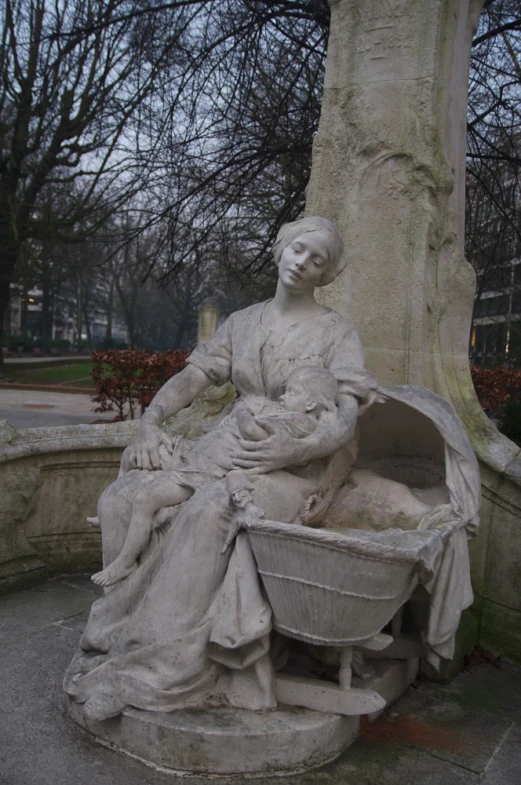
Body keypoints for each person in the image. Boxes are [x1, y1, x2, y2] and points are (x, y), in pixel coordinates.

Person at [64, 216, 379, 721]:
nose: (303, 263)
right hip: (231, 446)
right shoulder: (243, 322)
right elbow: (193, 379)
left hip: (296, 467)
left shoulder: (338, 333)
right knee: (125, 494)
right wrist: (149, 422)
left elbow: (343, 422)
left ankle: (162, 668)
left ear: (325, 274)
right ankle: (118, 633)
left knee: (211, 510)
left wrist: (291, 453)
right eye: (299, 249)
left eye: (317, 260)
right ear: (281, 248)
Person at [91, 366, 340, 587]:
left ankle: (125, 562)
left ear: (310, 404)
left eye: (293, 393)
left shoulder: (299, 421)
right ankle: (104, 515)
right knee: (130, 455)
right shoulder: (283, 414)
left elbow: (255, 432)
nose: (283, 396)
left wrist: (243, 414)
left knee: (146, 499)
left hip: (203, 472)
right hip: (196, 454)